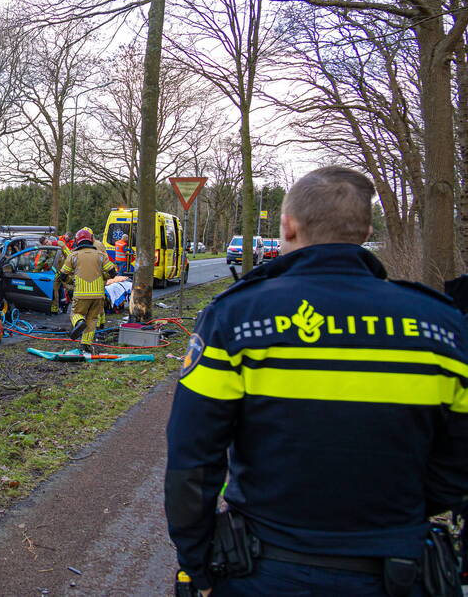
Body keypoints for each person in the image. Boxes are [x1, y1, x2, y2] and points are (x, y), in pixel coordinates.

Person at [164, 166, 468, 596]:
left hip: (264, 567)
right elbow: (457, 462)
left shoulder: (237, 318)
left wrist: (196, 564)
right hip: (398, 568)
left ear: (287, 226)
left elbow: (191, 459)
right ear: (364, 229)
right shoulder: (442, 326)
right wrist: (406, 512)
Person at [59, 227, 117, 352]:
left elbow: (63, 275)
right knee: (92, 319)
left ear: (77, 241)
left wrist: (71, 281)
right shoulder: (101, 255)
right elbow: (112, 273)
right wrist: (103, 276)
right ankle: (86, 344)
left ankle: (79, 322)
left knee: (76, 314)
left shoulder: (73, 255)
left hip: (81, 294)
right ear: (91, 240)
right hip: (98, 295)